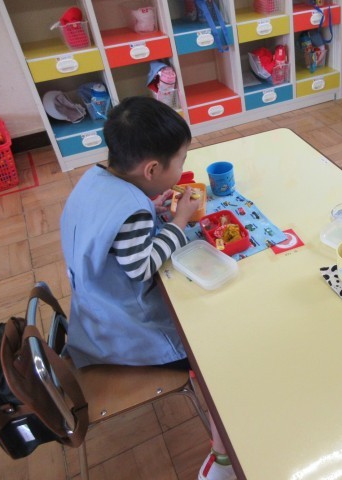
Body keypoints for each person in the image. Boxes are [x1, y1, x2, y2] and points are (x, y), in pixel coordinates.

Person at [60, 96, 235, 480]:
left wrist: (149, 207)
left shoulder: (95, 178)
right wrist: (179, 221)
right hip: (125, 333)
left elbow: (112, 229)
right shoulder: (132, 213)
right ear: (152, 169)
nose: (183, 169)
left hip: (94, 313)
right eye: (181, 161)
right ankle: (224, 457)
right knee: (213, 351)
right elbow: (142, 267)